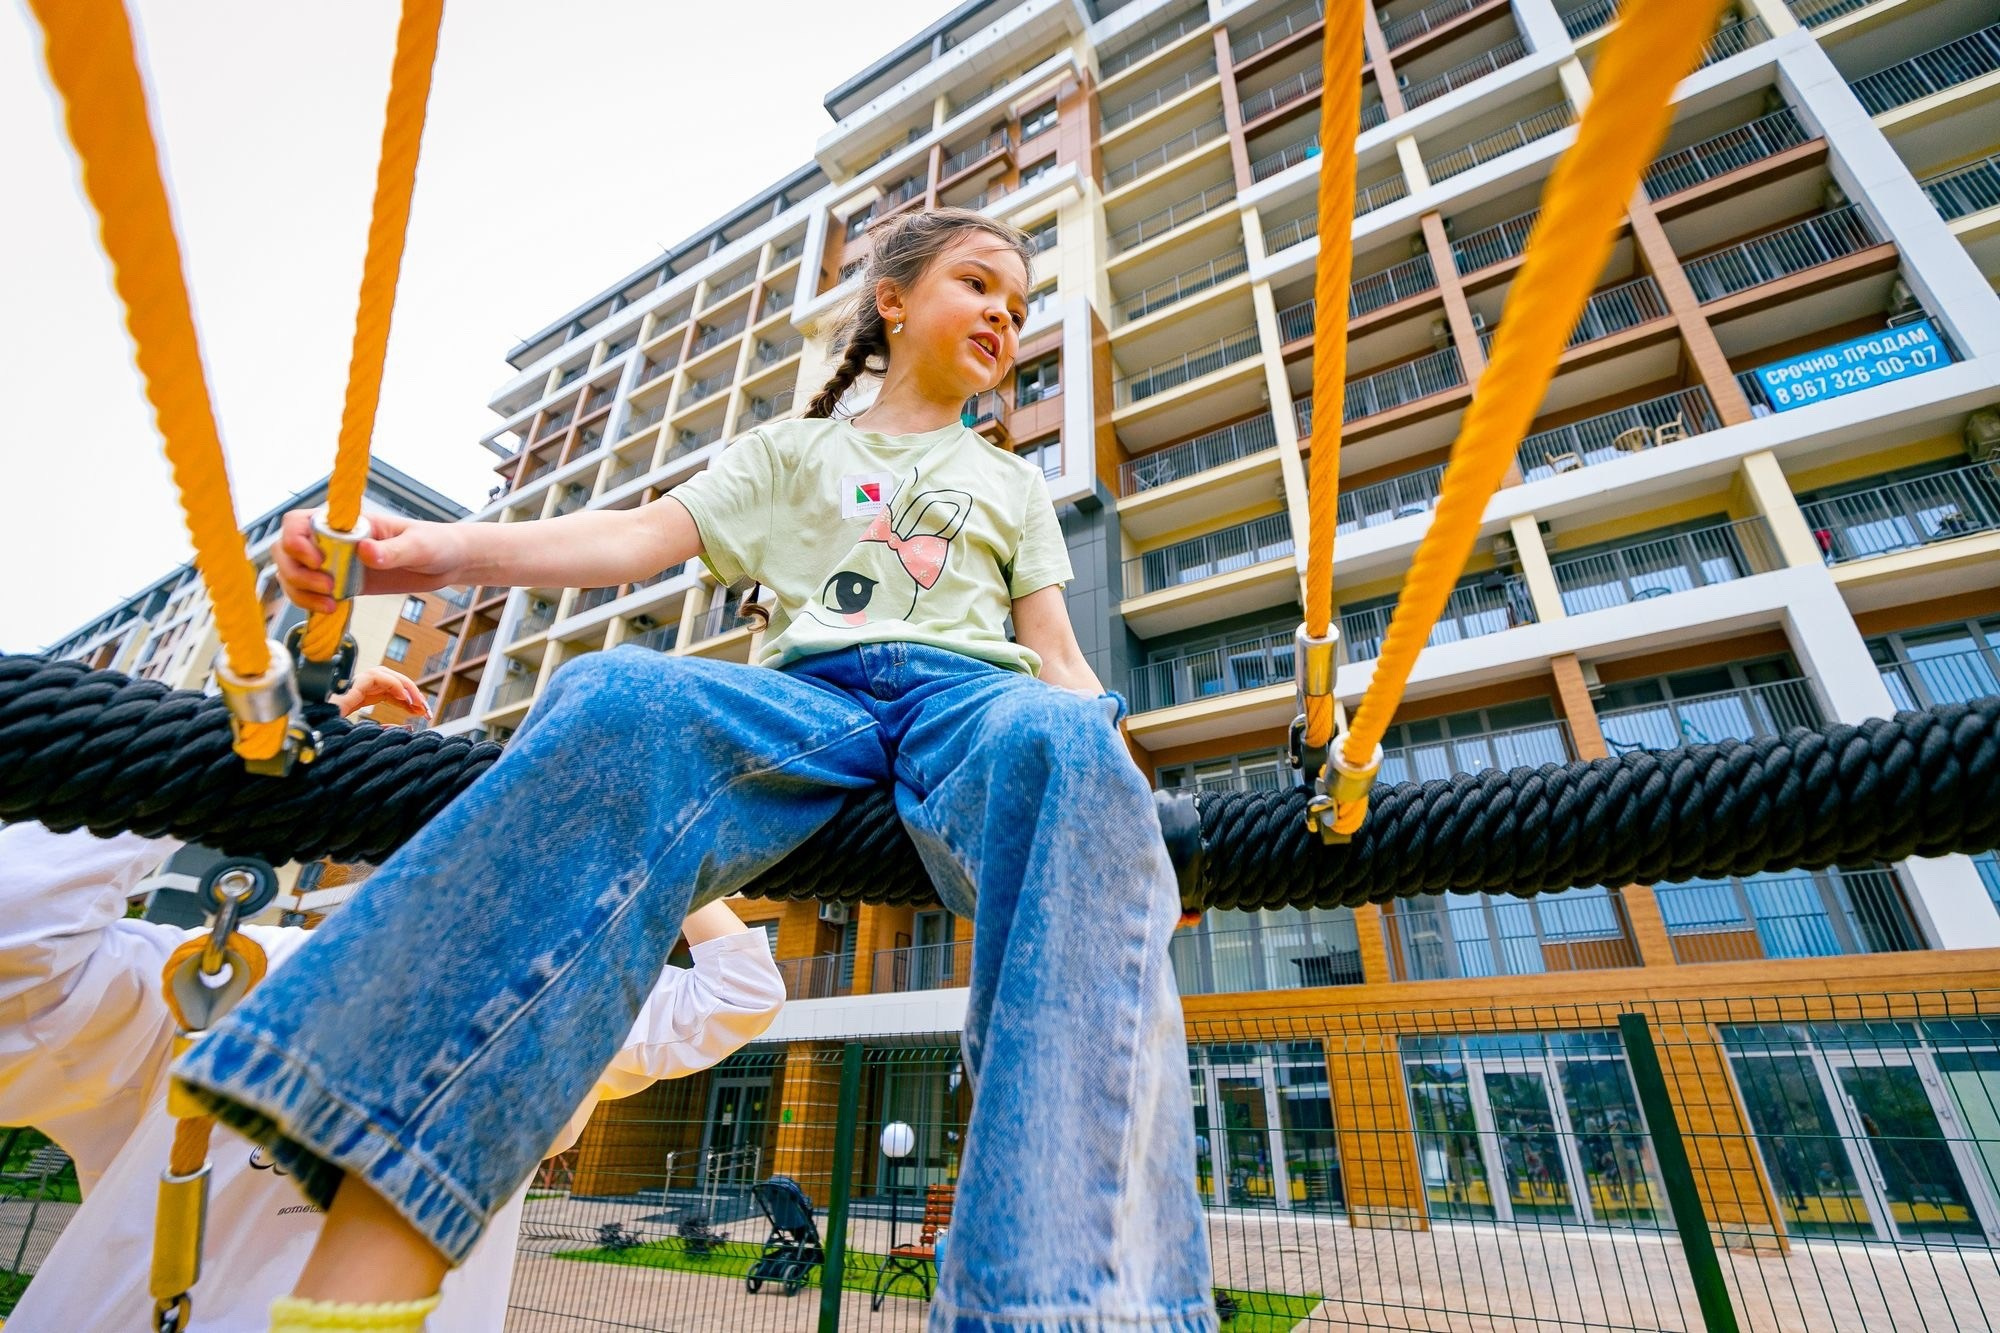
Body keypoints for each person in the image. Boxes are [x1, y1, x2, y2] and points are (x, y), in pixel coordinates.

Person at [174, 207, 1215, 1333]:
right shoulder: (792, 453)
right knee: (619, 696)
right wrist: (435, 556)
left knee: (1066, 746)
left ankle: (1067, 1310)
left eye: (1018, 308)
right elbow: (632, 540)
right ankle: (358, 1289)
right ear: (894, 302)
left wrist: (1129, 835)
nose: (1004, 318)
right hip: (814, 696)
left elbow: (1057, 658)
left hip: (973, 694)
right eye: (978, 287)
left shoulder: (1006, 481)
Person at [0, 667, 785, 1332]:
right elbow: (17, 941)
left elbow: (738, 991)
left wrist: (636, 828)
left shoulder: (527, 1005)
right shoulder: (216, 974)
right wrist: (240, 737)